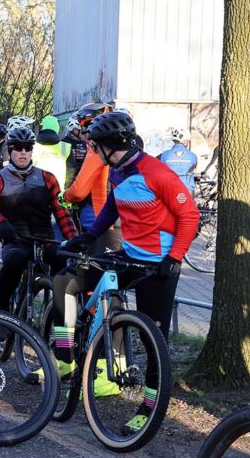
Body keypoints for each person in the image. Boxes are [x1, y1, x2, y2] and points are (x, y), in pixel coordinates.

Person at [57, 112, 199, 431]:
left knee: (154, 342)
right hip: (130, 256)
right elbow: (112, 205)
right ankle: (64, 359)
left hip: (158, 265)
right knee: (67, 279)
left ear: (113, 145)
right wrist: (90, 235)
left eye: (98, 147)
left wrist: (174, 258)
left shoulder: (157, 173)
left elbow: (189, 215)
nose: (94, 152)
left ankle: (148, 409)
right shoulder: (118, 170)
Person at [0, 125, 76, 318]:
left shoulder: (48, 178)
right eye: (18, 147)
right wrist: (1, 223)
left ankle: (64, 338)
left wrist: (74, 239)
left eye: (28, 147)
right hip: (16, 239)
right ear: (10, 149)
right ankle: (2, 307)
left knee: (62, 277)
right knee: (14, 261)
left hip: (46, 238)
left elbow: (62, 213)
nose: (23, 152)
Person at [63, 102, 114, 230]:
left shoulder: (96, 149)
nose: (82, 129)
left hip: (98, 215)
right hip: (121, 214)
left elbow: (78, 191)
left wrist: (65, 197)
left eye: (84, 124)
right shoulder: (117, 146)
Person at [33, 114, 68, 188]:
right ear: (57, 128)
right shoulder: (66, 147)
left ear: (43, 128)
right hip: (59, 193)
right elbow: (72, 171)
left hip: (37, 191)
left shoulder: (32, 147)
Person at [61, 115, 88, 190]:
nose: (83, 132)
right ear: (75, 129)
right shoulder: (63, 143)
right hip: (67, 184)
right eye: (81, 130)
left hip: (81, 182)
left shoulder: (84, 143)